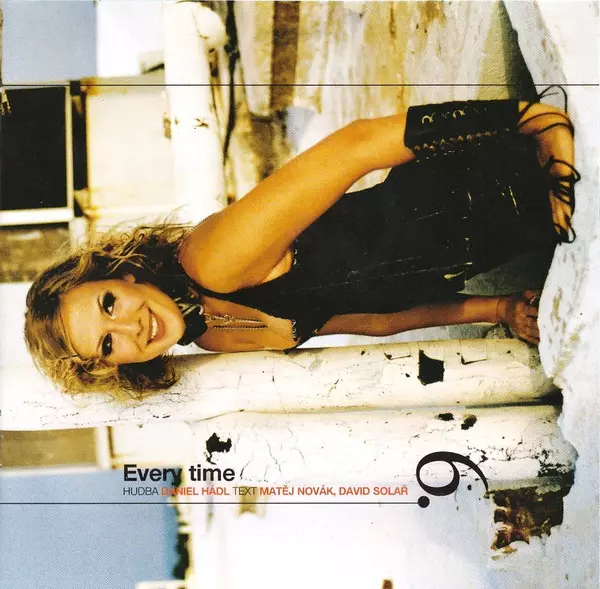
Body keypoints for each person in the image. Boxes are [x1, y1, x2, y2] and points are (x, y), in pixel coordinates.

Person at [24, 91, 579, 394]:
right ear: (116, 367)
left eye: (109, 305)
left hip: (511, 176)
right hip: (523, 234)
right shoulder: (211, 338)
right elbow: (377, 320)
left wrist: (530, 122)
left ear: (123, 275)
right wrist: (499, 308)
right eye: (107, 345)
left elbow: (355, 146)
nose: (130, 327)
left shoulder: (210, 260)